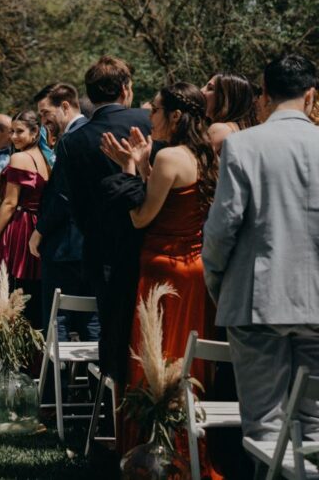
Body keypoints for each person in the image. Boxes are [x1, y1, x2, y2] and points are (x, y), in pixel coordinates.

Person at [102, 82, 222, 470]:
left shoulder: (169, 156)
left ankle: (152, 454)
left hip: (161, 269)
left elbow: (142, 216)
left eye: (154, 109)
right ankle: (187, 450)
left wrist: (128, 169)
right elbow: (171, 199)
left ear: (173, 115)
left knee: (155, 357)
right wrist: (142, 166)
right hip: (194, 271)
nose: (148, 116)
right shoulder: (204, 156)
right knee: (184, 359)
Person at [203, 54, 319, 443]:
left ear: (264, 94)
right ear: (311, 95)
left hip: (257, 299)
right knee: (316, 424)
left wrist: (216, 277)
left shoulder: (243, 145)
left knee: (265, 422)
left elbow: (222, 228)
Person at [54, 56, 151, 385]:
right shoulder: (150, 122)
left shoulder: (71, 142)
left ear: (91, 95)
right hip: (151, 246)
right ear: (126, 89)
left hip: (102, 252)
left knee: (113, 337)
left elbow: (76, 206)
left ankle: (113, 418)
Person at [30, 83, 98, 342]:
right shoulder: (92, 133)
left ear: (66, 106)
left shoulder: (71, 139)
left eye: (46, 113)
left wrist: (39, 231)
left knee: (58, 319)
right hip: (90, 245)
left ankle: (57, 384)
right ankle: (95, 382)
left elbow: (62, 195)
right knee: (90, 320)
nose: (43, 120)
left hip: (64, 246)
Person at [0, 110, 49, 329]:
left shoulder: (20, 158)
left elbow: (10, 203)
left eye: (19, 131)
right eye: (11, 131)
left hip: (20, 227)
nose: (13, 137)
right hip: (37, 226)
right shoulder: (45, 158)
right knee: (32, 292)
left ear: (35, 132)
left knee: (12, 289)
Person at [201, 73, 258, 151]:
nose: (201, 91)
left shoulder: (220, 129)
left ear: (226, 99)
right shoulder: (237, 129)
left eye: (210, 88)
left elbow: (192, 160)